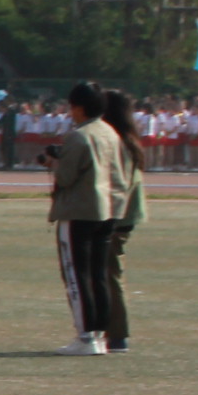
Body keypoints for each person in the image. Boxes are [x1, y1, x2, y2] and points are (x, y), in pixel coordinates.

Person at [44, 82, 128, 357]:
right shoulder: (110, 133)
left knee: (76, 274)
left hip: (79, 211)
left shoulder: (79, 136)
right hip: (108, 210)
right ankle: (100, 335)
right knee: (98, 275)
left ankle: (85, 336)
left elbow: (66, 177)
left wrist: (52, 163)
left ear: (79, 107)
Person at [96, 87, 145, 351]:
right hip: (121, 214)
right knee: (107, 273)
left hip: (115, 216)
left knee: (109, 274)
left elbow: (118, 184)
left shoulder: (118, 140)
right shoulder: (127, 138)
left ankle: (116, 334)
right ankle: (109, 331)